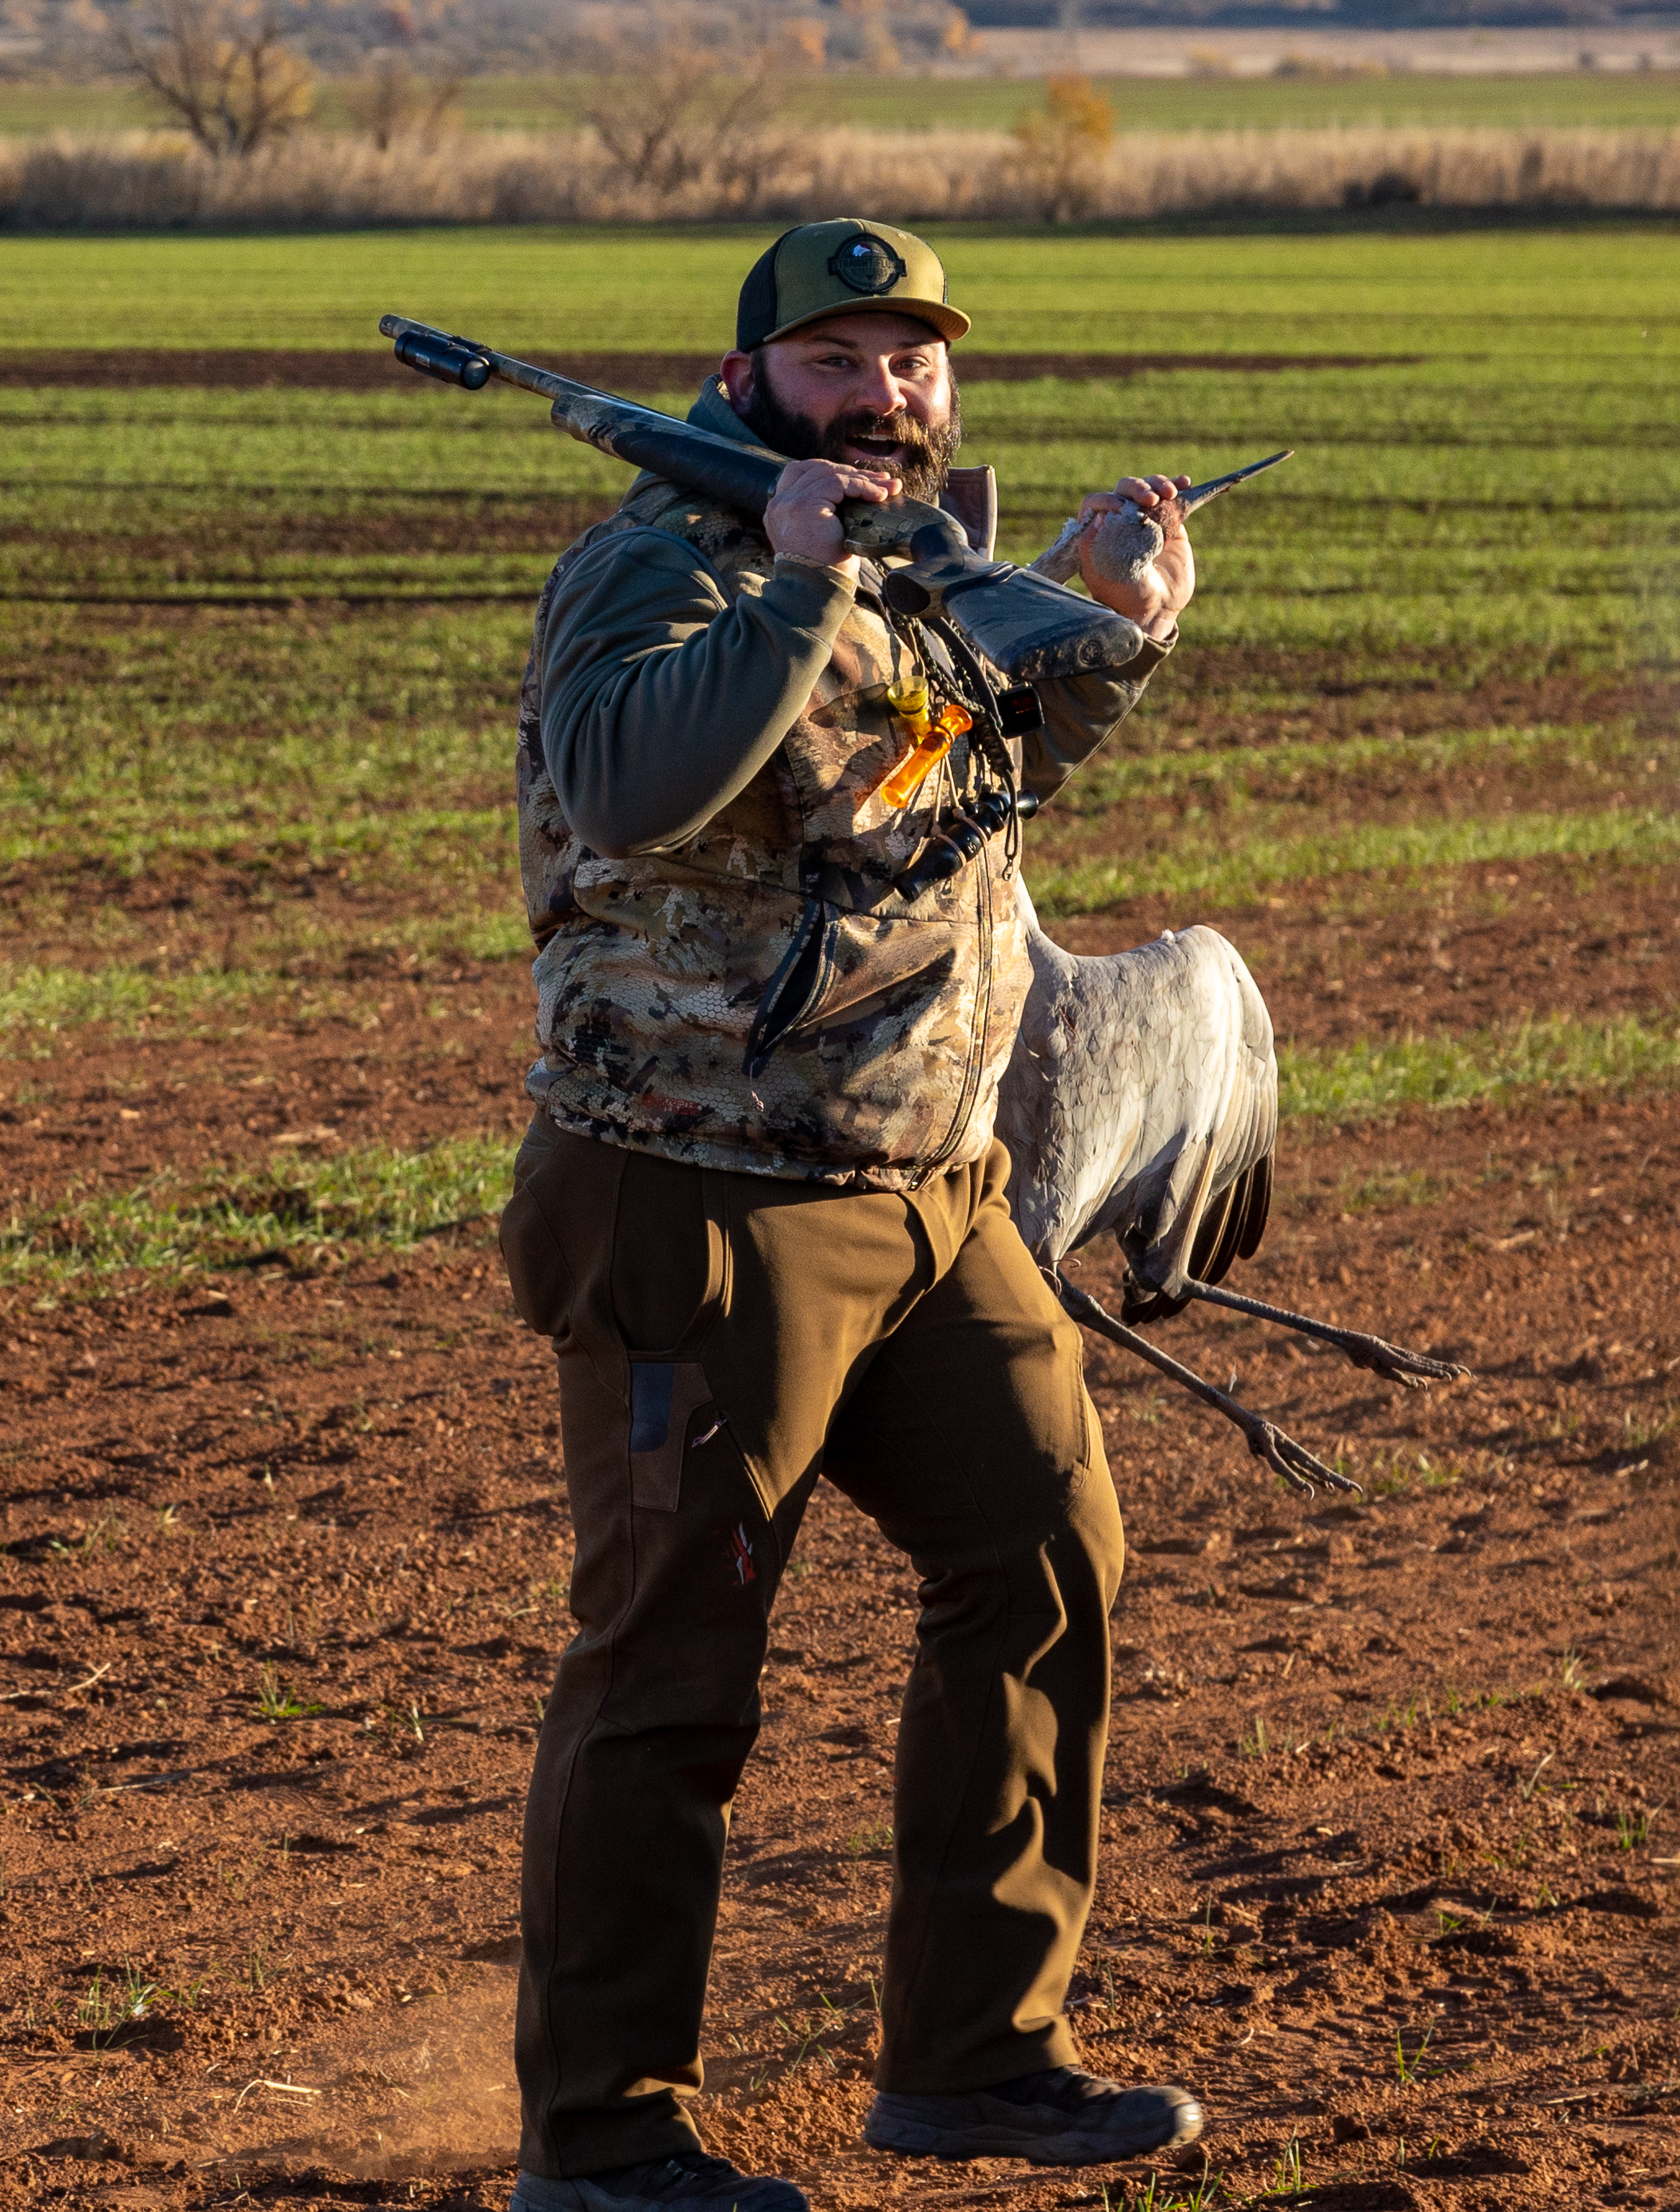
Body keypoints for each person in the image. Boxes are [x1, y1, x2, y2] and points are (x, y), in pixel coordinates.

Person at [496, 219, 1205, 2212]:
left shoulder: (908, 568)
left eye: (914, 358)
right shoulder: (661, 566)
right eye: (840, 357)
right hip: (700, 1192)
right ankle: (604, 2143)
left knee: (1046, 1548)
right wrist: (795, 582)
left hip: (926, 1187)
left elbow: (955, 792)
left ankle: (979, 2057)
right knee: (673, 1667)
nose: (886, 390)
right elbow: (634, 787)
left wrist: (1114, 633)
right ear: (750, 383)